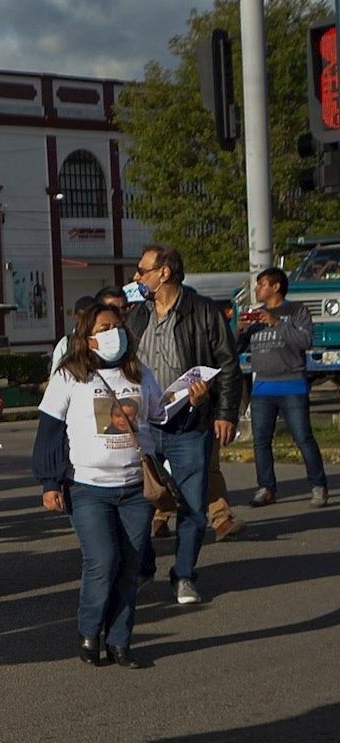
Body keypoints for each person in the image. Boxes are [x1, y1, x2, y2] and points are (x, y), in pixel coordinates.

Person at [33, 303, 162, 668]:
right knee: (103, 561)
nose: (113, 333)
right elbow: (49, 432)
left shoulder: (140, 374)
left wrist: (190, 401)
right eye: (104, 327)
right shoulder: (71, 376)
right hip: (88, 488)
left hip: (136, 489)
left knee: (131, 565)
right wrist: (49, 482)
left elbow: (160, 417)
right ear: (87, 337)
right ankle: (90, 631)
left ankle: (120, 641)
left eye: (118, 326)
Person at [125, 244, 242, 605]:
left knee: (192, 505)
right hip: (146, 425)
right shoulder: (137, 316)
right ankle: (144, 567)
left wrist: (224, 412)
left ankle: (185, 574)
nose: (136, 277)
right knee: (140, 502)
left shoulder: (203, 312)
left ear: (164, 273)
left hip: (190, 423)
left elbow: (228, 363)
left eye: (142, 270)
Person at [241, 267, 327, 507]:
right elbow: (238, 348)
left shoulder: (296, 311)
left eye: (261, 284)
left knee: (303, 438)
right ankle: (266, 487)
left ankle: (318, 485)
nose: (257, 289)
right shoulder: (256, 315)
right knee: (261, 441)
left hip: (292, 385)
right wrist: (238, 332)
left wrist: (278, 323)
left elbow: (305, 340)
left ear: (276, 287)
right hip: (262, 388)